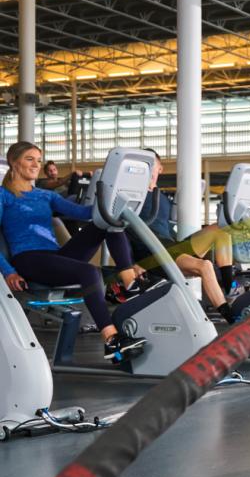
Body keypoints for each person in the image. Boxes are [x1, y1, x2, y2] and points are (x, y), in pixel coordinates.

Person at [0, 142, 146, 363]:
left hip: (54, 256)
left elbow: (87, 213)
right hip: (28, 259)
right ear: (13, 161)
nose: (36, 165)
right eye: (30, 159)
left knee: (106, 220)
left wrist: (111, 199)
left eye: (38, 160)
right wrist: (9, 271)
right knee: (89, 272)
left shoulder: (45, 196)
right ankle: (111, 339)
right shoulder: (4, 195)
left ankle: (130, 282)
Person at [125, 149, 236, 324]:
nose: (147, 167)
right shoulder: (131, 196)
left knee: (220, 230)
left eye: (151, 162)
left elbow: (166, 227)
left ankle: (230, 288)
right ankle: (230, 316)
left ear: (160, 168)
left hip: (170, 246)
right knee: (205, 265)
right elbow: (126, 231)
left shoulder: (161, 197)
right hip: (152, 253)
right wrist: (131, 263)